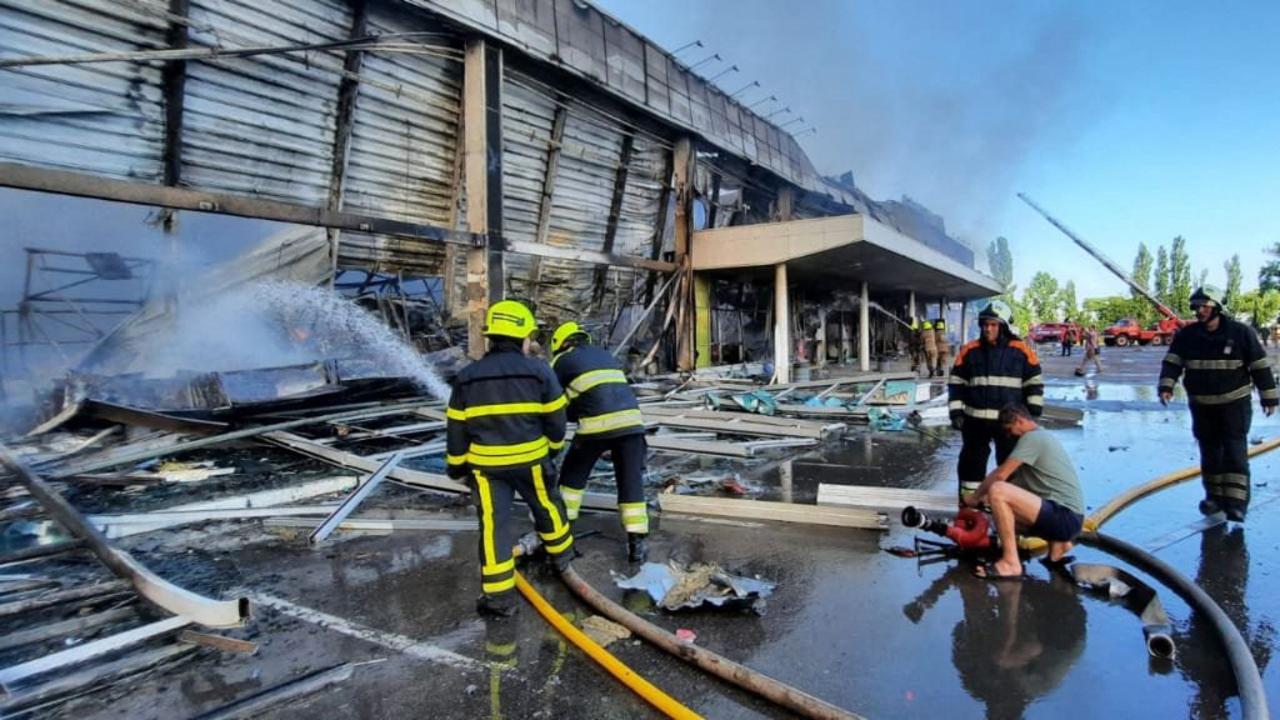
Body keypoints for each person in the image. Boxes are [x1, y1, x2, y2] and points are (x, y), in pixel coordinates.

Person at [446, 299, 575, 617]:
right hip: (532, 461)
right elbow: (557, 420)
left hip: (487, 469)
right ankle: (562, 561)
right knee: (547, 508)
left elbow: (457, 430)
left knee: (494, 527)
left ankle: (499, 598)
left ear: (492, 337)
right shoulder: (539, 372)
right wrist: (553, 450)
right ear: (522, 338)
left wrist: (456, 467)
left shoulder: (467, 377)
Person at [1158, 286, 1277, 522]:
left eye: (1204, 306)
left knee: (1234, 452)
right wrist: (1166, 386)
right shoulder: (1187, 335)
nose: (1199, 310)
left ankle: (1236, 504)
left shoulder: (1241, 333)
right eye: (1196, 306)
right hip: (1202, 406)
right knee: (1210, 453)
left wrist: (1269, 396)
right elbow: (1173, 362)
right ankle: (1214, 499)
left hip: (1234, 404)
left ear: (1217, 308)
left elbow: (1259, 366)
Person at [549, 320, 650, 562]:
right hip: (633, 425)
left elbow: (552, 404)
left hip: (596, 426)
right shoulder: (605, 355)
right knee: (630, 481)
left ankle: (562, 535)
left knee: (572, 479)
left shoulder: (561, 361)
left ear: (560, 344)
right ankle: (637, 546)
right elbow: (598, 394)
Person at [962, 403, 1086, 579]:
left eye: (1009, 429)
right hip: (1069, 519)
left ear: (1019, 420)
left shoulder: (1033, 438)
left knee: (998, 490)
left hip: (1065, 516)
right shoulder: (1039, 441)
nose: (1008, 434)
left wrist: (974, 498)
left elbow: (1000, 475)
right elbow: (1016, 485)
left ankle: (1011, 563)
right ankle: (1058, 546)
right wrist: (985, 502)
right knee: (999, 514)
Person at [948, 300, 1045, 499]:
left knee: (1011, 466)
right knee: (971, 465)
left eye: (993, 325)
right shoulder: (969, 350)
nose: (987, 329)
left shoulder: (1022, 351)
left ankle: (1011, 504)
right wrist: (956, 413)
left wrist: (1033, 415)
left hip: (1009, 425)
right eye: (985, 324)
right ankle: (969, 505)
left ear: (1004, 327)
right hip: (975, 422)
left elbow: (1034, 383)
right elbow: (956, 383)